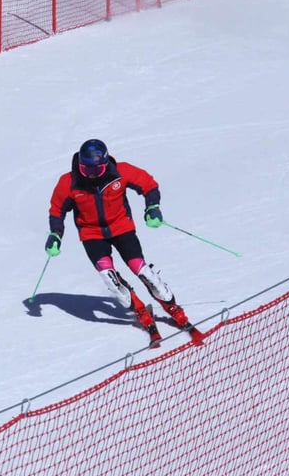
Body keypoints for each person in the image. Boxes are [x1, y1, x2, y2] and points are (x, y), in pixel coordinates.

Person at [45, 138, 191, 343]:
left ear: (106, 164)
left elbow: (148, 184)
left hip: (122, 228)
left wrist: (152, 207)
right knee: (110, 280)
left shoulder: (120, 172)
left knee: (143, 271)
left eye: (97, 170)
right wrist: (55, 234)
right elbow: (57, 209)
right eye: (87, 170)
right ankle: (139, 310)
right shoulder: (69, 182)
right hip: (92, 234)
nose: (92, 175)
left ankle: (171, 306)